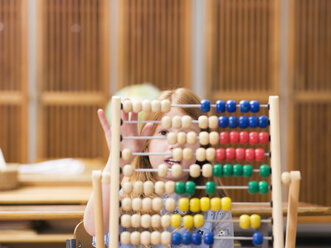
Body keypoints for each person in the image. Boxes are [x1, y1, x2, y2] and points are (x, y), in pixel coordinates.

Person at [84, 88, 234, 247]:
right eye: (164, 132)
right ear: (147, 144)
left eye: (187, 134)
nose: (175, 144)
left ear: (203, 147)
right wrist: (117, 161)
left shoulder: (215, 208)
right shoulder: (125, 199)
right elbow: (94, 227)